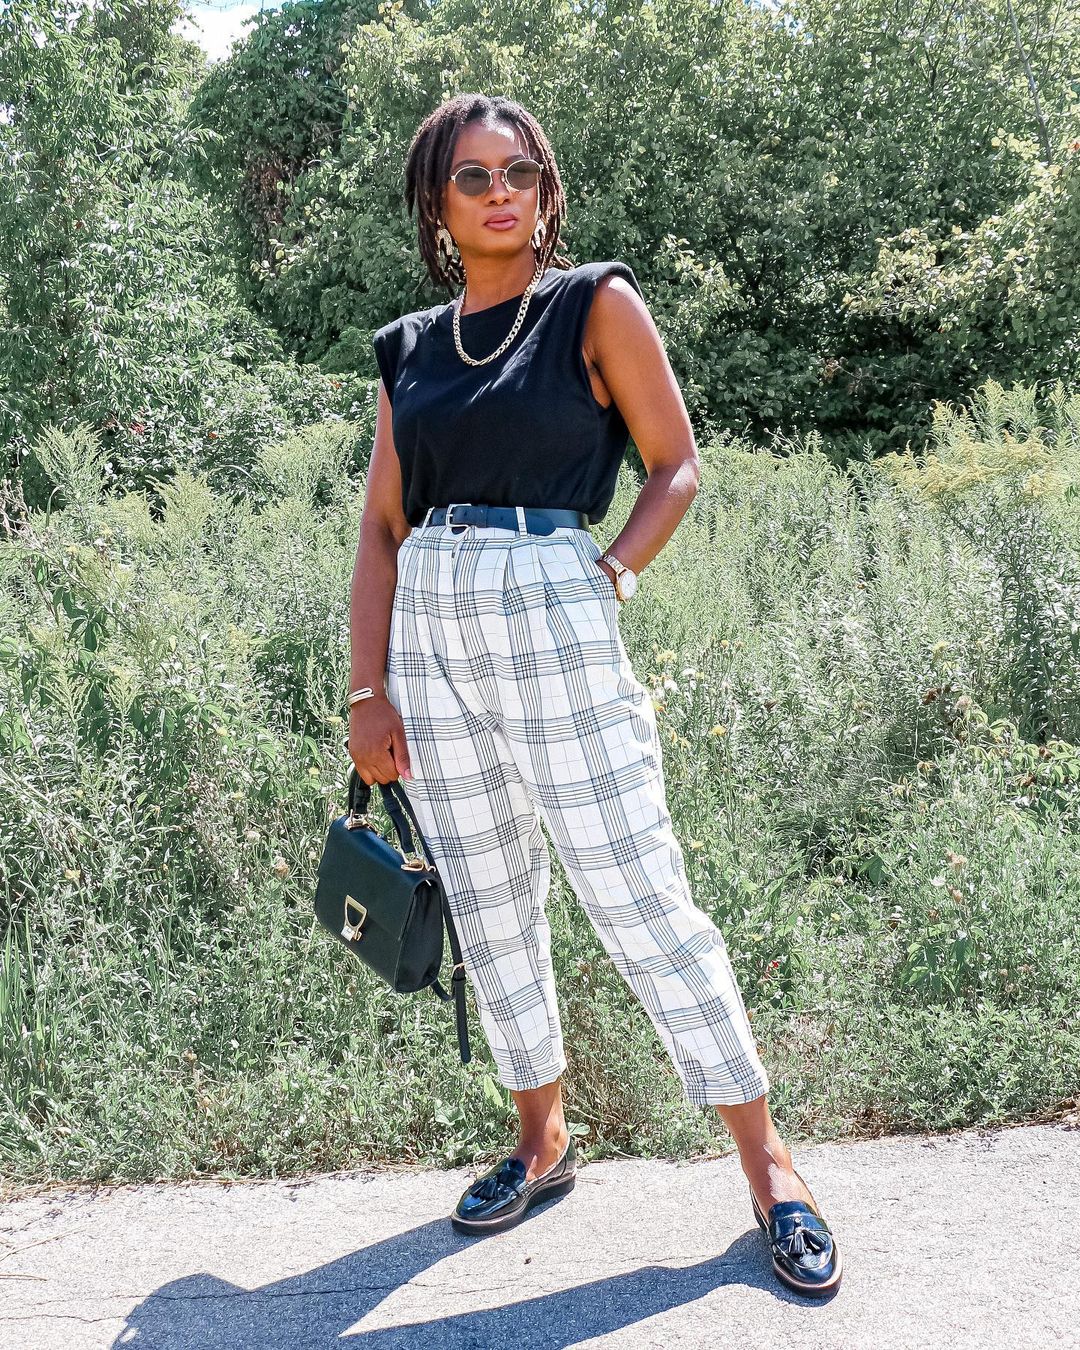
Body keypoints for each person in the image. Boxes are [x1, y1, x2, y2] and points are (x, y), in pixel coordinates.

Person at [348, 92, 842, 1297]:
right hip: (430, 629)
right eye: (473, 177)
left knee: (638, 891)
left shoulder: (592, 303)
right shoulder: (411, 349)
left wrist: (607, 574)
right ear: (437, 203)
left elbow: (677, 465)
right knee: (488, 899)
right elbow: (380, 527)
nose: (500, 192)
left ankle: (769, 1164)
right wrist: (366, 690)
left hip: (555, 599)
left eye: (519, 172)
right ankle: (542, 1138)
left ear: (546, 191)